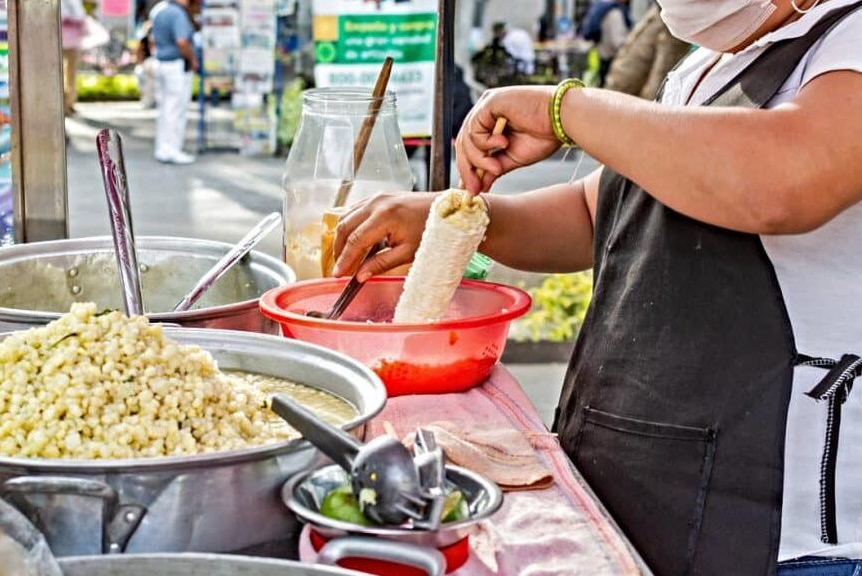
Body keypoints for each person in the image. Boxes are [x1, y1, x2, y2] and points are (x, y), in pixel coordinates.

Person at [332, 1, 862, 574]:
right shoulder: (705, 65)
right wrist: (457, 217)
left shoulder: (847, 41)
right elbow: (597, 214)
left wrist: (566, 110)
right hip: (641, 494)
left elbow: (784, 177)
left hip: (782, 540)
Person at [604, 3, 689, 99]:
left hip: (675, 21)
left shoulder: (676, 23)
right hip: (661, 13)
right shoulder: (655, 15)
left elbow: (658, 87)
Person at [151, 0, 198, 164]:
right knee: (175, 109)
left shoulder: (158, 9)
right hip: (176, 65)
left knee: (165, 109)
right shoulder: (177, 13)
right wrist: (193, 59)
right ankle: (172, 149)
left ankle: (163, 148)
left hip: (161, 63)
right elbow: (182, 42)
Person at [580, 0, 631, 85]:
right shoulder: (615, 14)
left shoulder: (603, 9)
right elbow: (617, 42)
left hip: (602, 55)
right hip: (611, 60)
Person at [60, 0, 87, 116]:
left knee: (69, 75)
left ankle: (68, 104)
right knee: (67, 75)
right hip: (66, 41)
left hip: (69, 41)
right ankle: (66, 104)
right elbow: (79, 17)